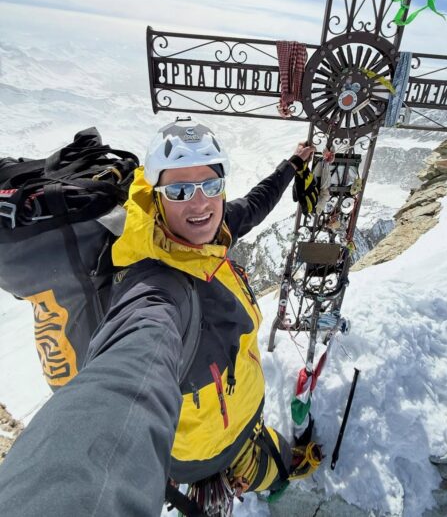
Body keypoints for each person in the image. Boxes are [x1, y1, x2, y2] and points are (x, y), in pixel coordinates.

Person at [0, 120, 321, 517]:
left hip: (237, 421)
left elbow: (255, 205)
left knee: (271, 462)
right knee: (271, 469)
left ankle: (273, 478)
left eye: (211, 185)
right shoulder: (156, 288)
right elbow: (129, 375)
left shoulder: (207, 233)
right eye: (180, 190)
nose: (200, 203)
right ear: (156, 197)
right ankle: (274, 483)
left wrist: (292, 164)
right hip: (202, 450)